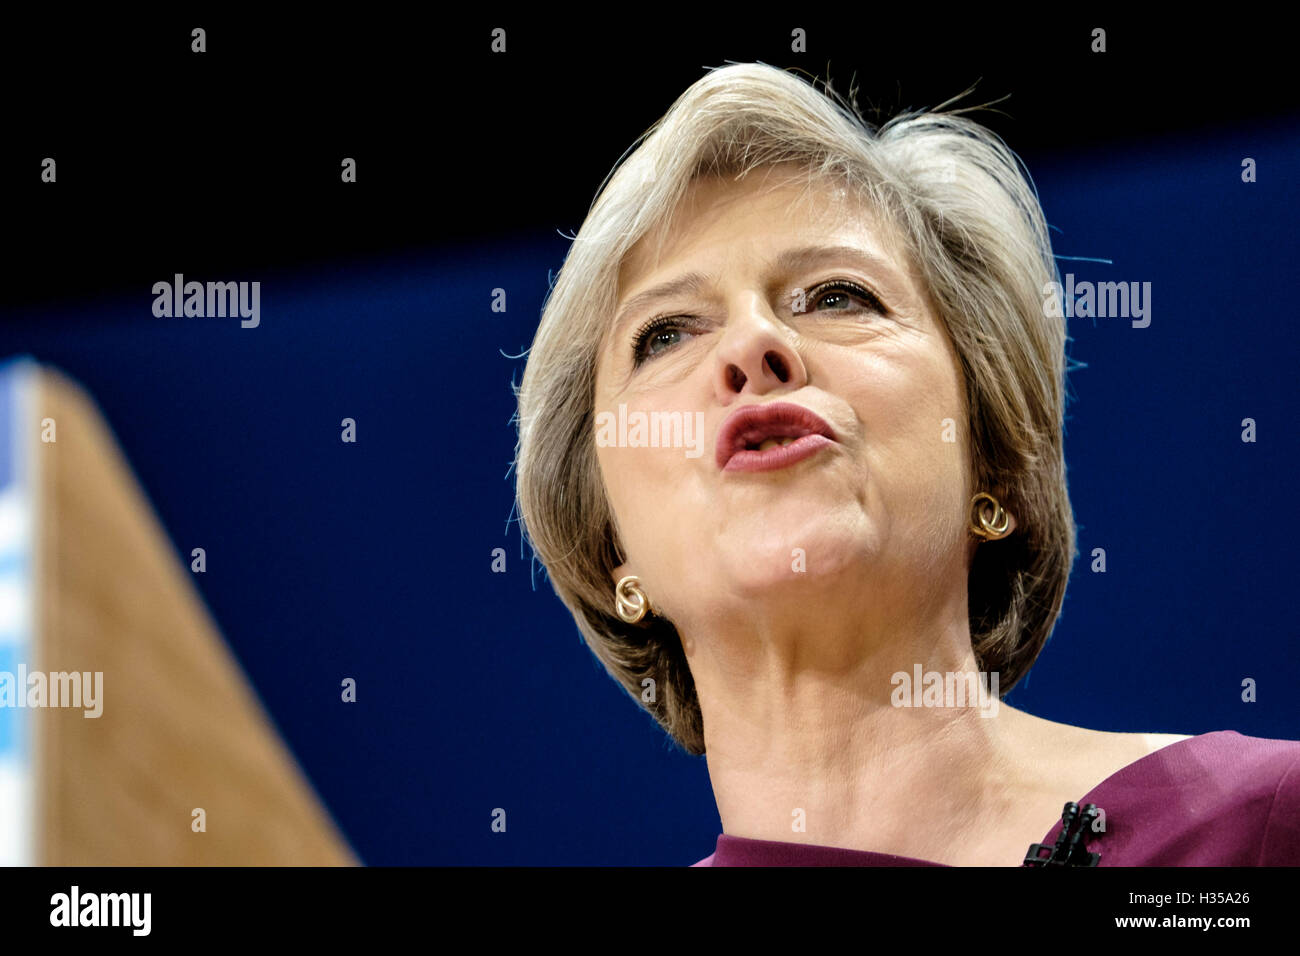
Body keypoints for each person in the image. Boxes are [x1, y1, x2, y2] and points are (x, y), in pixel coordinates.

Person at [511, 63, 1300, 866]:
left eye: (838, 296)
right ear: (612, 552)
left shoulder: (1253, 830)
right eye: (667, 334)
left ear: (992, 467)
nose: (751, 346)